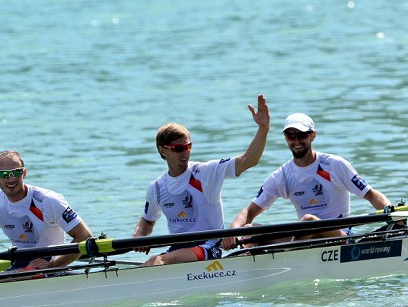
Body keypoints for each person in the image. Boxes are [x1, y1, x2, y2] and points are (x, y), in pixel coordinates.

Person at [132, 94, 271, 266]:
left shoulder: (206, 172)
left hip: (208, 247)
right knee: (152, 262)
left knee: (157, 261)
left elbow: (248, 160)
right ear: (163, 151)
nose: (186, 153)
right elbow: (147, 221)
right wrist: (139, 235)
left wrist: (263, 129)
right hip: (178, 251)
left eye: (188, 147)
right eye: (179, 149)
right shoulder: (157, 188)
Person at [222, 113, 392, 250]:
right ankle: (238, 269)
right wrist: (232, 232)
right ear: (286, 138)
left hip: (338, 236)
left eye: (302, 135)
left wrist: (390, 212)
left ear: (313, 135)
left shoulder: (334, 165)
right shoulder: (282, 175)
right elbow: (249, 211)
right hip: (303, 237)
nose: (296, 141)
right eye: (290, 135)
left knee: (309, 219)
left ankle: (288, 257)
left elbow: (370, 195)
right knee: (250, 230)